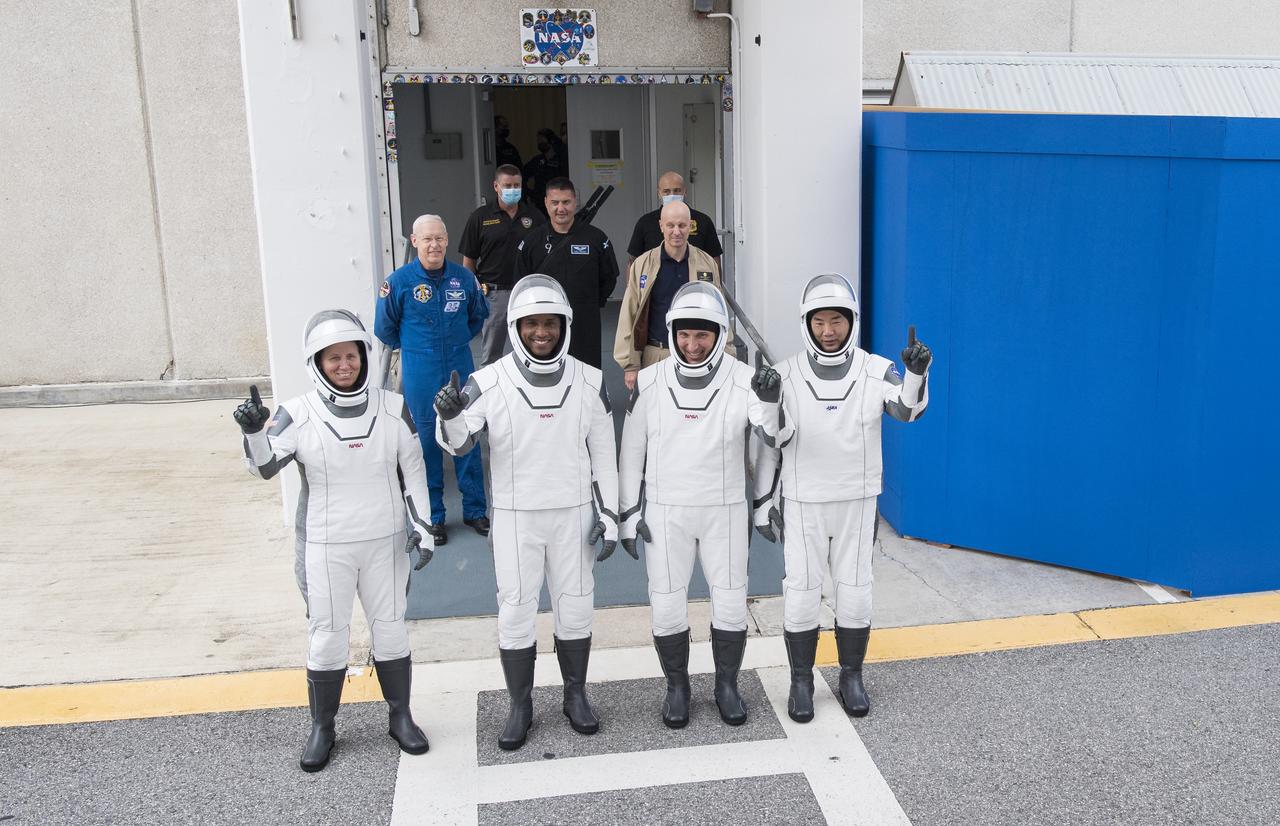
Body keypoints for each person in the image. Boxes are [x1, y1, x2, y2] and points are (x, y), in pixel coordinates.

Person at [233, 309, 434, 772]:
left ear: (365, 356)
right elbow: (264, 467)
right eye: (333, 358)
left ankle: (400, 716)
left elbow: (414, 470)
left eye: (352, 355)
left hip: (385, 540)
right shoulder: (295, 413)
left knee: (391, 628)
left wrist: (422, 527)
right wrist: (252, 433)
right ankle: (323, 726)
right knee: (327, 636)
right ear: (317, 363)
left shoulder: (392, 406)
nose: (344, 365)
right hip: (326, 544)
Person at [435, 274, 619, 751]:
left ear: (565, 325)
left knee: (575, 610)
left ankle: (575, 696)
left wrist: (613, 515)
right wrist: (451, 416)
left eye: (551, 323)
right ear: (515, 326)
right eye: (532, 323)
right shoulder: (487, 381)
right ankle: (521, 705)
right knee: (515, 612)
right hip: (517, 517)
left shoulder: (589, 380)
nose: (543, 332)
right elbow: (458, 445)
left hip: (574, 514)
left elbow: (604, 455)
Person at [752, 273, 931, 723]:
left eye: (837, 321)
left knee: (855, 592)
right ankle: (801, 681)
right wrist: (769, 400)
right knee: (801, 592)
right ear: (806, 324)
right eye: (819, 322)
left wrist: (915, 374)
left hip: (857, 499)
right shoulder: (786, 373)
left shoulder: (876, 368)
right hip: (805, 499)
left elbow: (907, 410)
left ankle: (851, 675)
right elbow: (775, 437)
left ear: (852, 321)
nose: (828, 331)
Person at [618, 282, 782, 729]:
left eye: (703, 335)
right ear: (671, 333)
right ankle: (677, 686)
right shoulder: (650, 381)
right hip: (666, 512)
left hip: (725, 510)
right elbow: (631, 451)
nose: (693, 345)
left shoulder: (744, 378)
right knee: (667, 605)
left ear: (718, 333)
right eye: (685, 335)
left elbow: (773, 440)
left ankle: (727, 685)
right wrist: (629, 513)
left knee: (729, 604)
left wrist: (764, 500)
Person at [376, 214, 489, 546]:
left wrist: (452, 344)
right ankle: (434, 517)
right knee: (425, 444)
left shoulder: (463, 278)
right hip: (419, 369)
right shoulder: (398, 282)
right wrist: (418, 348)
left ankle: (475, 510)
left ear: (447, 239)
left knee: (465, 436)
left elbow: (476, 319)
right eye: (427, 239)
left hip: (458, 365)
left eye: (439, 238)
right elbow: (385, 328)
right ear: (414, 241)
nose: (434, 245)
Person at [613, 200, 733, 391]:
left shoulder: (707, 263)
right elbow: (629, 314)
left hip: (696, 356)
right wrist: (631, 366)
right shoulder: (643, 264)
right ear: (661, 226)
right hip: (656, 354)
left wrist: (727, 354)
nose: (676, 231)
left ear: (690, 226)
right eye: (670, 225)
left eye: (682, 225)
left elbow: (720, 313)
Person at [514, 178, 619, 369]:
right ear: (546, 202)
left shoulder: (596, 238)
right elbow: (522, 282)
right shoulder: (532, 241)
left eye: (566, 202)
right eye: (555, 203)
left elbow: (609, 278)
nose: (560, 208)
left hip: (585, 321)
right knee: (546, 370)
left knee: (586, 371)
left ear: (575, 202)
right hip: (544, 323)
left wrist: (588, 303)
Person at [459, 165, 546, 367]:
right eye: (507, 185)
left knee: (531, 350)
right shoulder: (480, 217)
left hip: (526, 293)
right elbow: (469, 260)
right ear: (496, 186)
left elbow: (544, 255)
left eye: (517, 185)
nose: (513, 190)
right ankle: (490, 397)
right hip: (493, 295)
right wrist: (471, 296)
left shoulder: (534, 216)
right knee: (491, 355)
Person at [627, 171, 723, 267]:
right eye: (666, 191)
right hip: (656, 280)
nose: (672, 195)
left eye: (677, 190)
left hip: (694, 279)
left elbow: (714, 259)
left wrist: (715, 282)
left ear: (685, 191)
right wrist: (631, 282)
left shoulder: (703, 221)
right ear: (659, 193)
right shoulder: (645, 222)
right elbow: (633, 261)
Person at [521, 128, 567, 214]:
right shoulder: (537, 160)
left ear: (551, 141)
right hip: (539, 203)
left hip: (556, 202)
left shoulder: (561, 160)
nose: (539, 143)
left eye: (542, 140)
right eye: (538, 140)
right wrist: (528, 194)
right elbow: (522, 176)